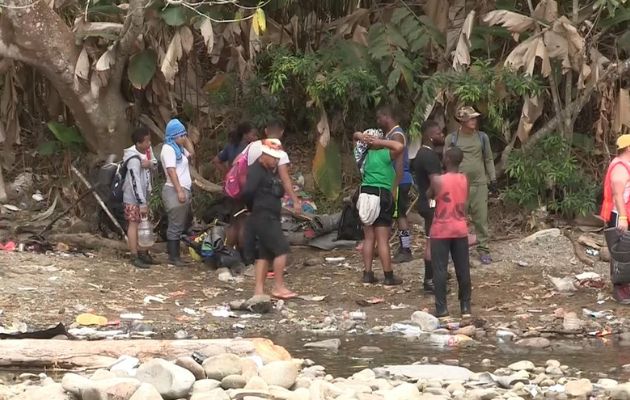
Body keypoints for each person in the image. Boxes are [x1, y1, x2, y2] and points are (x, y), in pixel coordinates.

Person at [242, 138, 297, 299]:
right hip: (263, 215)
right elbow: (248, 192)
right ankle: (278, 286)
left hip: (270, 214)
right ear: (264, 155)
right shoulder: (256, 170)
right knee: (282, 249)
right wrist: (253, 208)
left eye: (277, 158)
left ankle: (259, 290)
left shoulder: (268, 171)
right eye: (273, 158)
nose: (275, 161)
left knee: (264, 254)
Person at [445, 106, 496, 265]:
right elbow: (447, 161)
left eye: (474, 118)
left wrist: (492, 178)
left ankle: (484, 249)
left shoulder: (482, 137)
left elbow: (488, 158)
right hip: (459, 185)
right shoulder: (452, 139)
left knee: (481, 218)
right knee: (458, 219)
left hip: (479, 184)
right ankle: (456, 251)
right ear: (462, 120)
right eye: (470, 118)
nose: (473, 121)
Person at [353, 128, 404, 286]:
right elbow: (399, 147)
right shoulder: (384, 154)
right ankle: (388, 276)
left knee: (368, 237)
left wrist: (362, 137)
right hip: (382, 195)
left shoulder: (362, 155)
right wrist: (379, 142)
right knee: (382, 239)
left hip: (365, 195)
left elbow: (355, 135)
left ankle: (367, 274)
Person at [429, 147, 471, 319]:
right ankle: (465, 306)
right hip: (460, 227)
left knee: (439, 269)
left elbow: (429, 196)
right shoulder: (464, 178)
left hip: (441, 229)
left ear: (446, 159)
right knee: (463, 268)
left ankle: (441, 309)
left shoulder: (438, 180)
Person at [376, 106, 414, 263]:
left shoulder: (396, 135)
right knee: (397, 215)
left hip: (399, 180)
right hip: (395, 180)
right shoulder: (390, 134)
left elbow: (398, 164)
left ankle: (406, 249)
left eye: (379, 118)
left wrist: (394, 186)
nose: (378, 121)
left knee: (401, 216)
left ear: (387, 116)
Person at [214, 122, 259, 249]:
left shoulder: (230, 146)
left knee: (233, 223)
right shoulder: (249, 149)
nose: (256, 138)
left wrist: (227, 174)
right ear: (245, 135)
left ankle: (228, 251)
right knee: (243, 222)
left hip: (230, 190)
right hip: (243, 190)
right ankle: (243, 253)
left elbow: (216, 160)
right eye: (253, 135)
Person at [412, 120, 445, 292]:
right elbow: (435, 184)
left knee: (431, 240)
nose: (442, 136)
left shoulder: (421, 154)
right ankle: (430, 280)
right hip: (432, 204)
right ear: (431, 136)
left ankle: (434, 276)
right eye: (439, 133)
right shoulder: (429, 157)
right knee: (432, 242)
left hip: (426, 202)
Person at [244, 119, 301, 213]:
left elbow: (236, 162)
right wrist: (295, 201)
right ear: (282, 132)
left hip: (248, 193)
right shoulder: (280, 153)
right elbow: (285, 179)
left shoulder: (252, 145)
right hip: (263, 197)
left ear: (266, 131)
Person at [600, 134, 630, 304]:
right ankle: (620, 287)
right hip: (620, 215)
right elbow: (618, 195)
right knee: (621, 253)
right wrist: (623, 218)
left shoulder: (626, 164)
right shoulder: (619, 168)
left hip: (627, 212)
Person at [161, 118, 195, 266]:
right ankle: (174, 257)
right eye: (180, 135)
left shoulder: (178, 149)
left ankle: (175, 255)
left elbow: (192, 153)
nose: (183, 138)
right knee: (175, 224)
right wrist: (179, 190)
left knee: (180, 223)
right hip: (174, 190)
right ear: (172, 136)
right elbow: (171, 171)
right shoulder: (168, 149)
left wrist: (184, 138)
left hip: (183, 189)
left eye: (184, 135)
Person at [123, 126, 156, 269]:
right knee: (134, 224)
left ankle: (144, 252)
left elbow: (155, 163)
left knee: (144, 225)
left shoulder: (147, 152)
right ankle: (134, 254)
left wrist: (150, 164)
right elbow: (134, 181)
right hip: (133, 197)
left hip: (145, 194)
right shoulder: (132, 159)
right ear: (138, 143)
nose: (149, 144)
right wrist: (141, 202)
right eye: (146, 141)